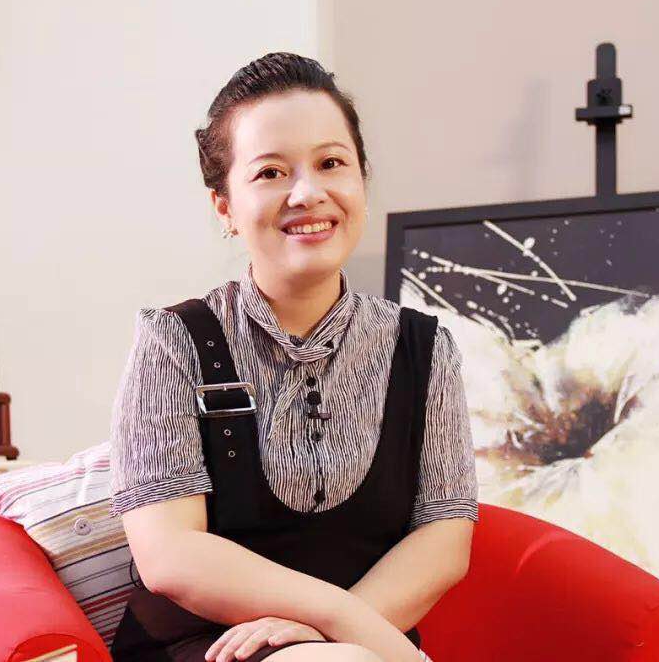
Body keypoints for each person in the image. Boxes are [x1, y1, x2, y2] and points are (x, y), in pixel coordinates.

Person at [108, 52, 478, 662]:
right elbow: (170, 556)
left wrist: (335, 634)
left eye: (331, 163)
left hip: (366, 647)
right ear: (224, 207)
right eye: (271, 172)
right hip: (207, 648)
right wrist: (335, 618)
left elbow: (443, 539)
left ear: (361, 181)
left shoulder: (425, 349)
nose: (307, 193)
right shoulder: (174, 340)